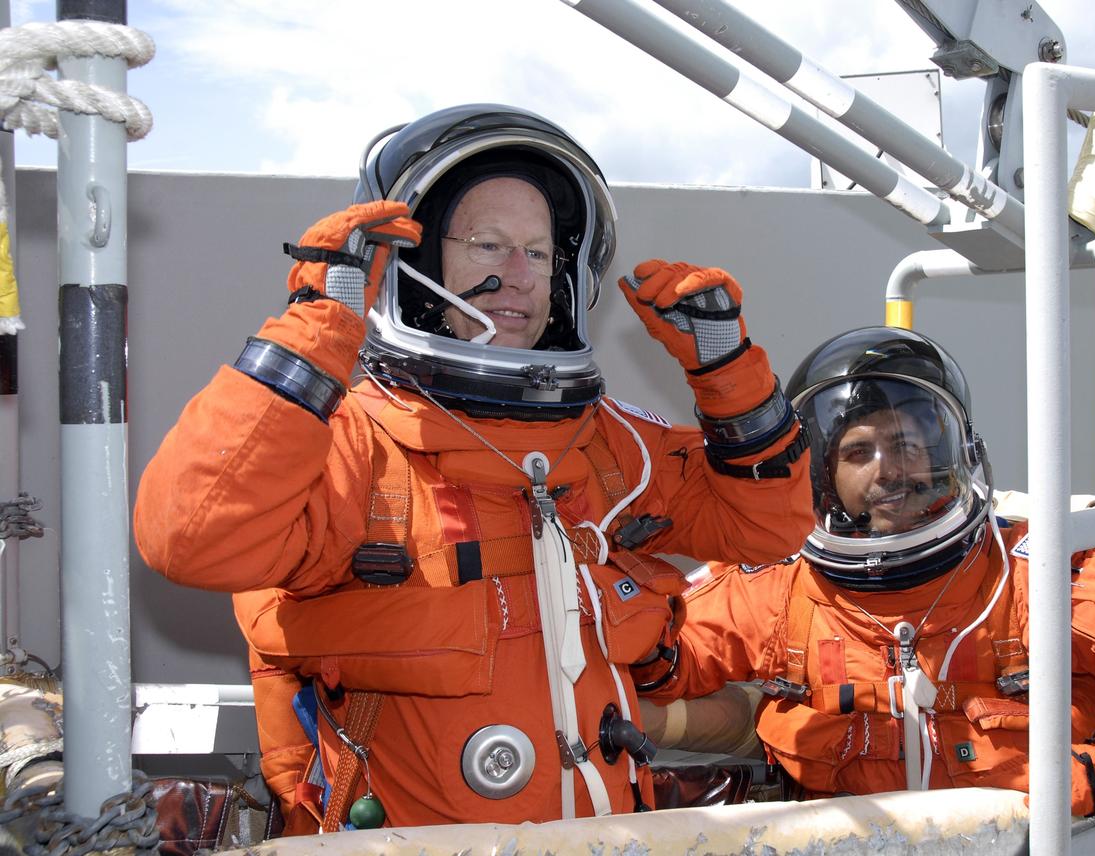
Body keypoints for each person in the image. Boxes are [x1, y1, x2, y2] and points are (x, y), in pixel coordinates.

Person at [133, 104, 812, 832]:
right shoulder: (355, 447)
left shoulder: (608, 444)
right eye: (487, 246)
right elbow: (190, 535)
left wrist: (727, 370)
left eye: (539, 251)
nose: (519, 277)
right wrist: (316, 326)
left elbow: (768, 525)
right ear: (416, 263)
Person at [634, 326, 1095, 817]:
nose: (890, 469)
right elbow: (661, 661)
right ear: (821, 473)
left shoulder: (1029, 571)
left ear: (955, 452)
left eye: (908, 445)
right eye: (859, 452)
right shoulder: (777, 589)